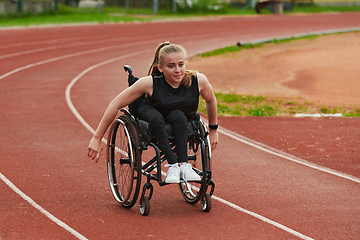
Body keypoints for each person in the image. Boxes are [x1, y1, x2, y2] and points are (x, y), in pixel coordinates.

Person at [88, 42, 218, 184]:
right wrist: (97, 137)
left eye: (181, 64)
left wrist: (213, 129)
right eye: (171, 66)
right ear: (160, 68)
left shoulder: (198, 80)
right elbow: (116, 103)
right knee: (157, 118)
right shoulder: (149, 83)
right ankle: (173, 165)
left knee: (179, 115)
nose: (177, 70)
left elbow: (211, 100)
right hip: (152, 112)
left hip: (177, 117)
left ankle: (183, 165)